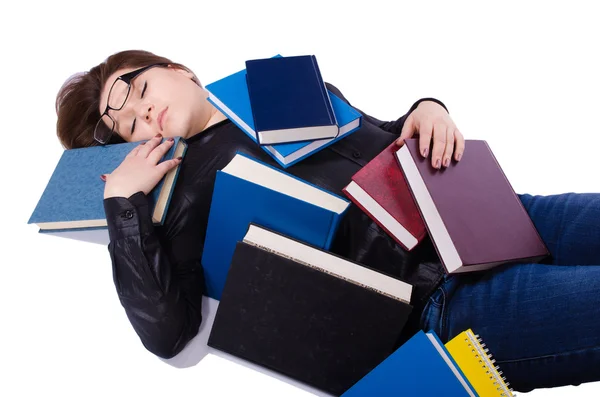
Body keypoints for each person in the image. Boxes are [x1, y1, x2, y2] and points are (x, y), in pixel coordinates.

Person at [55, 50, 600, 393]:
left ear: (179, 71)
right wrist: (123, 206)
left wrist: (427, 108)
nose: (142, 114)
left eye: (141, 92)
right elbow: (168, 334)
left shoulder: (272, 89)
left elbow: (380, 139)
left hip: (488, 213)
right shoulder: (173, 206)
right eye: (127, 126)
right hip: (441, 303)